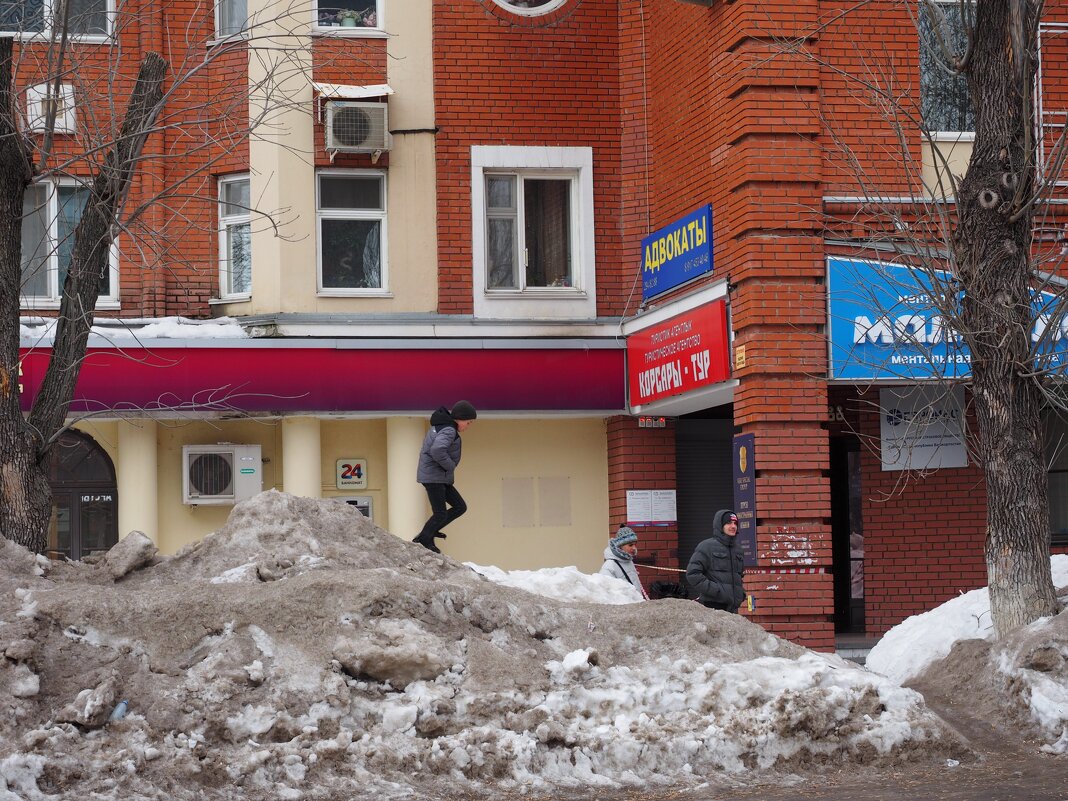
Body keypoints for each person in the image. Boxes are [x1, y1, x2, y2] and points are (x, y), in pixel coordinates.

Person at [412, 400, 477, 552]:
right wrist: (450, 466)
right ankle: (423, 539)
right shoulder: (449, 430)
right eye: (468, 422)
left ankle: (429, 532)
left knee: (460, 506)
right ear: (460, 419)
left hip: (437, 477)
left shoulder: (442, 426)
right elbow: (437, 450)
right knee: (440, 514)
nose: (469, 426)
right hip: (434, 477)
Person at [686, 509, 746, 613]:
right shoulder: (706, 546)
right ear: (720, 525)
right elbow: (692, 574)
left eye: (735, 523)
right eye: (728, 523)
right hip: (712, 607)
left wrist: (741, 593)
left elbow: (738, 576)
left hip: (733, 609)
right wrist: (715, 591)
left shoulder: (738, 550)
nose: (733, 526)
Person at [598, 524, 648, 599]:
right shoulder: (609, 565)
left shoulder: (629, 561)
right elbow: (605, 591)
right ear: (620, 546)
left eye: (635, 544)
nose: (634, 548)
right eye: (630, 545)